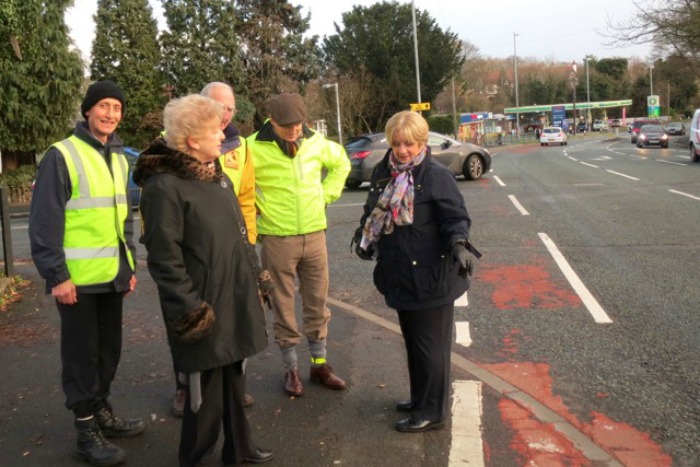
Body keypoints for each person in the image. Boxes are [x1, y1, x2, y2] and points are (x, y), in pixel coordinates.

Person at [135, 94, 272, 467]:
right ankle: (195, 458)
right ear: (193, 140)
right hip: (203, 305)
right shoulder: (164, 187)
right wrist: (191, 310)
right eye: (215, 129)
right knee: (203, 397)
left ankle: (239, 449)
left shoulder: (217, 176)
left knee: (235, 379)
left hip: (234, 293)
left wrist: (257, 277)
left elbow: (239, 234)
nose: (223, 134)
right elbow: (164, 259)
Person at [29, 79, 144, 466]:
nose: (110, 114)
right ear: (88, 110)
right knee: (82, 357)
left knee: (108, 352)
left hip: (111, 275)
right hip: (76, 281)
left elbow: (122, 218)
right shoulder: (62, 155)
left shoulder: (118, 156)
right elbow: (45, 222)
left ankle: (102, 413)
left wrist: (127, 266)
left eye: (116, 107)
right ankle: (85, 432)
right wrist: (57, 276)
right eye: (104, 106)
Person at [352, 110, 480, 433]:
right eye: (397, 144)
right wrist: (363, 234)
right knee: (413, 343)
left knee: (431, 349)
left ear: (422, 142)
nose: (403, 150)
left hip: (431, 275)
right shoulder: (386, 172)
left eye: (409, 144)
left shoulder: (436, 176)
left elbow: (455, 218)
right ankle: (419, 397)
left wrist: (459, 244)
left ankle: (432, 412)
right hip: (400, 275)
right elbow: (373, 210)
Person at [247, 92, 350, 397]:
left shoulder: (315, 141)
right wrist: (254, 208)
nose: (294, 131)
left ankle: (319, 364)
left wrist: (325, 195)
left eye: (299, 125)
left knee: (317, 301)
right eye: (287, 126)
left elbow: (341, 163)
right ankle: (290, 368)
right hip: (277, 238)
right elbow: (240, 184)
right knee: (282, 305)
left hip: (315, 234)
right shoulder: (252, 147)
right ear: (272, 122)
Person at [168, 82, 256, 418]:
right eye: (218, 108)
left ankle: (231, 391)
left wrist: (247, 242)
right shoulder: (172, 152)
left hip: (232, 253)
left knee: (232, 327)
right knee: (193, 331)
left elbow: (245, 197)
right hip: (196, 264)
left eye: (230, 109)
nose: (225, 116)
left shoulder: (238, 147)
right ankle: (185, 389)